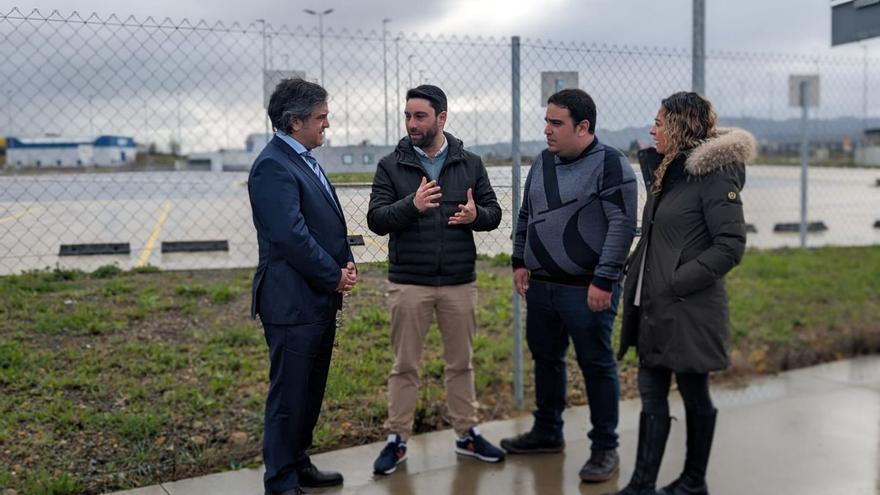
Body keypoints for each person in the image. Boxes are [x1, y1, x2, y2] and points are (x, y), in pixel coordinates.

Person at [607, 92, 755, 495]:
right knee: (652, 395)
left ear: (677, 125)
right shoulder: (665, 173)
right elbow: (658, 237)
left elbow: (730, 245)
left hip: (689, 308)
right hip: (654, 307)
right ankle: (642, 485)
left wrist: (675, 281)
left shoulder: (714, 175)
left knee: (694, 394)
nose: (651, 129)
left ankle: (693, 481)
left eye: (658, 121)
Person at [367, 84, 505, 475]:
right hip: (409, 282)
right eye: (408, 115)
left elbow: (493, 212)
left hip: (460, 282)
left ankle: (467, 434)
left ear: (441, 118)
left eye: (420, 116)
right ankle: (397, 440)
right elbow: (376, 220)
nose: (411, 123)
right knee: (404, 365)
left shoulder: (470, 163)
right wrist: (411, 206)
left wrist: (475, 217)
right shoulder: (390, 165)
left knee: (461, 363)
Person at [503, 88, 638, 483]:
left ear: (583, 127)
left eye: (555, 123)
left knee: (596, 366)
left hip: (588, 290)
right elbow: (528, 212)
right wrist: (518, 259)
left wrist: (604, 278)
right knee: (546, 360)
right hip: (542, 287)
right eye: (546, 121)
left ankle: (604, 448)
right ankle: (547, 432)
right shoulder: (543, 161)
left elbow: (622, 225)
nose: (546, 130)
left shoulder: (611, 164)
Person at [248, 78, 356, 495]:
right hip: (291, 303)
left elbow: (322, 225)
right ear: (295, 122)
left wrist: (344, 262)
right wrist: (334, 275)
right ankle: (280, 480)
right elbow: (290, 235)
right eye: (320, 118)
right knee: (289, 395)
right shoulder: (273, 165)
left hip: (317, 298)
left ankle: (298, 462)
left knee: (310, 392)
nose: (326, 125)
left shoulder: (303, 158)